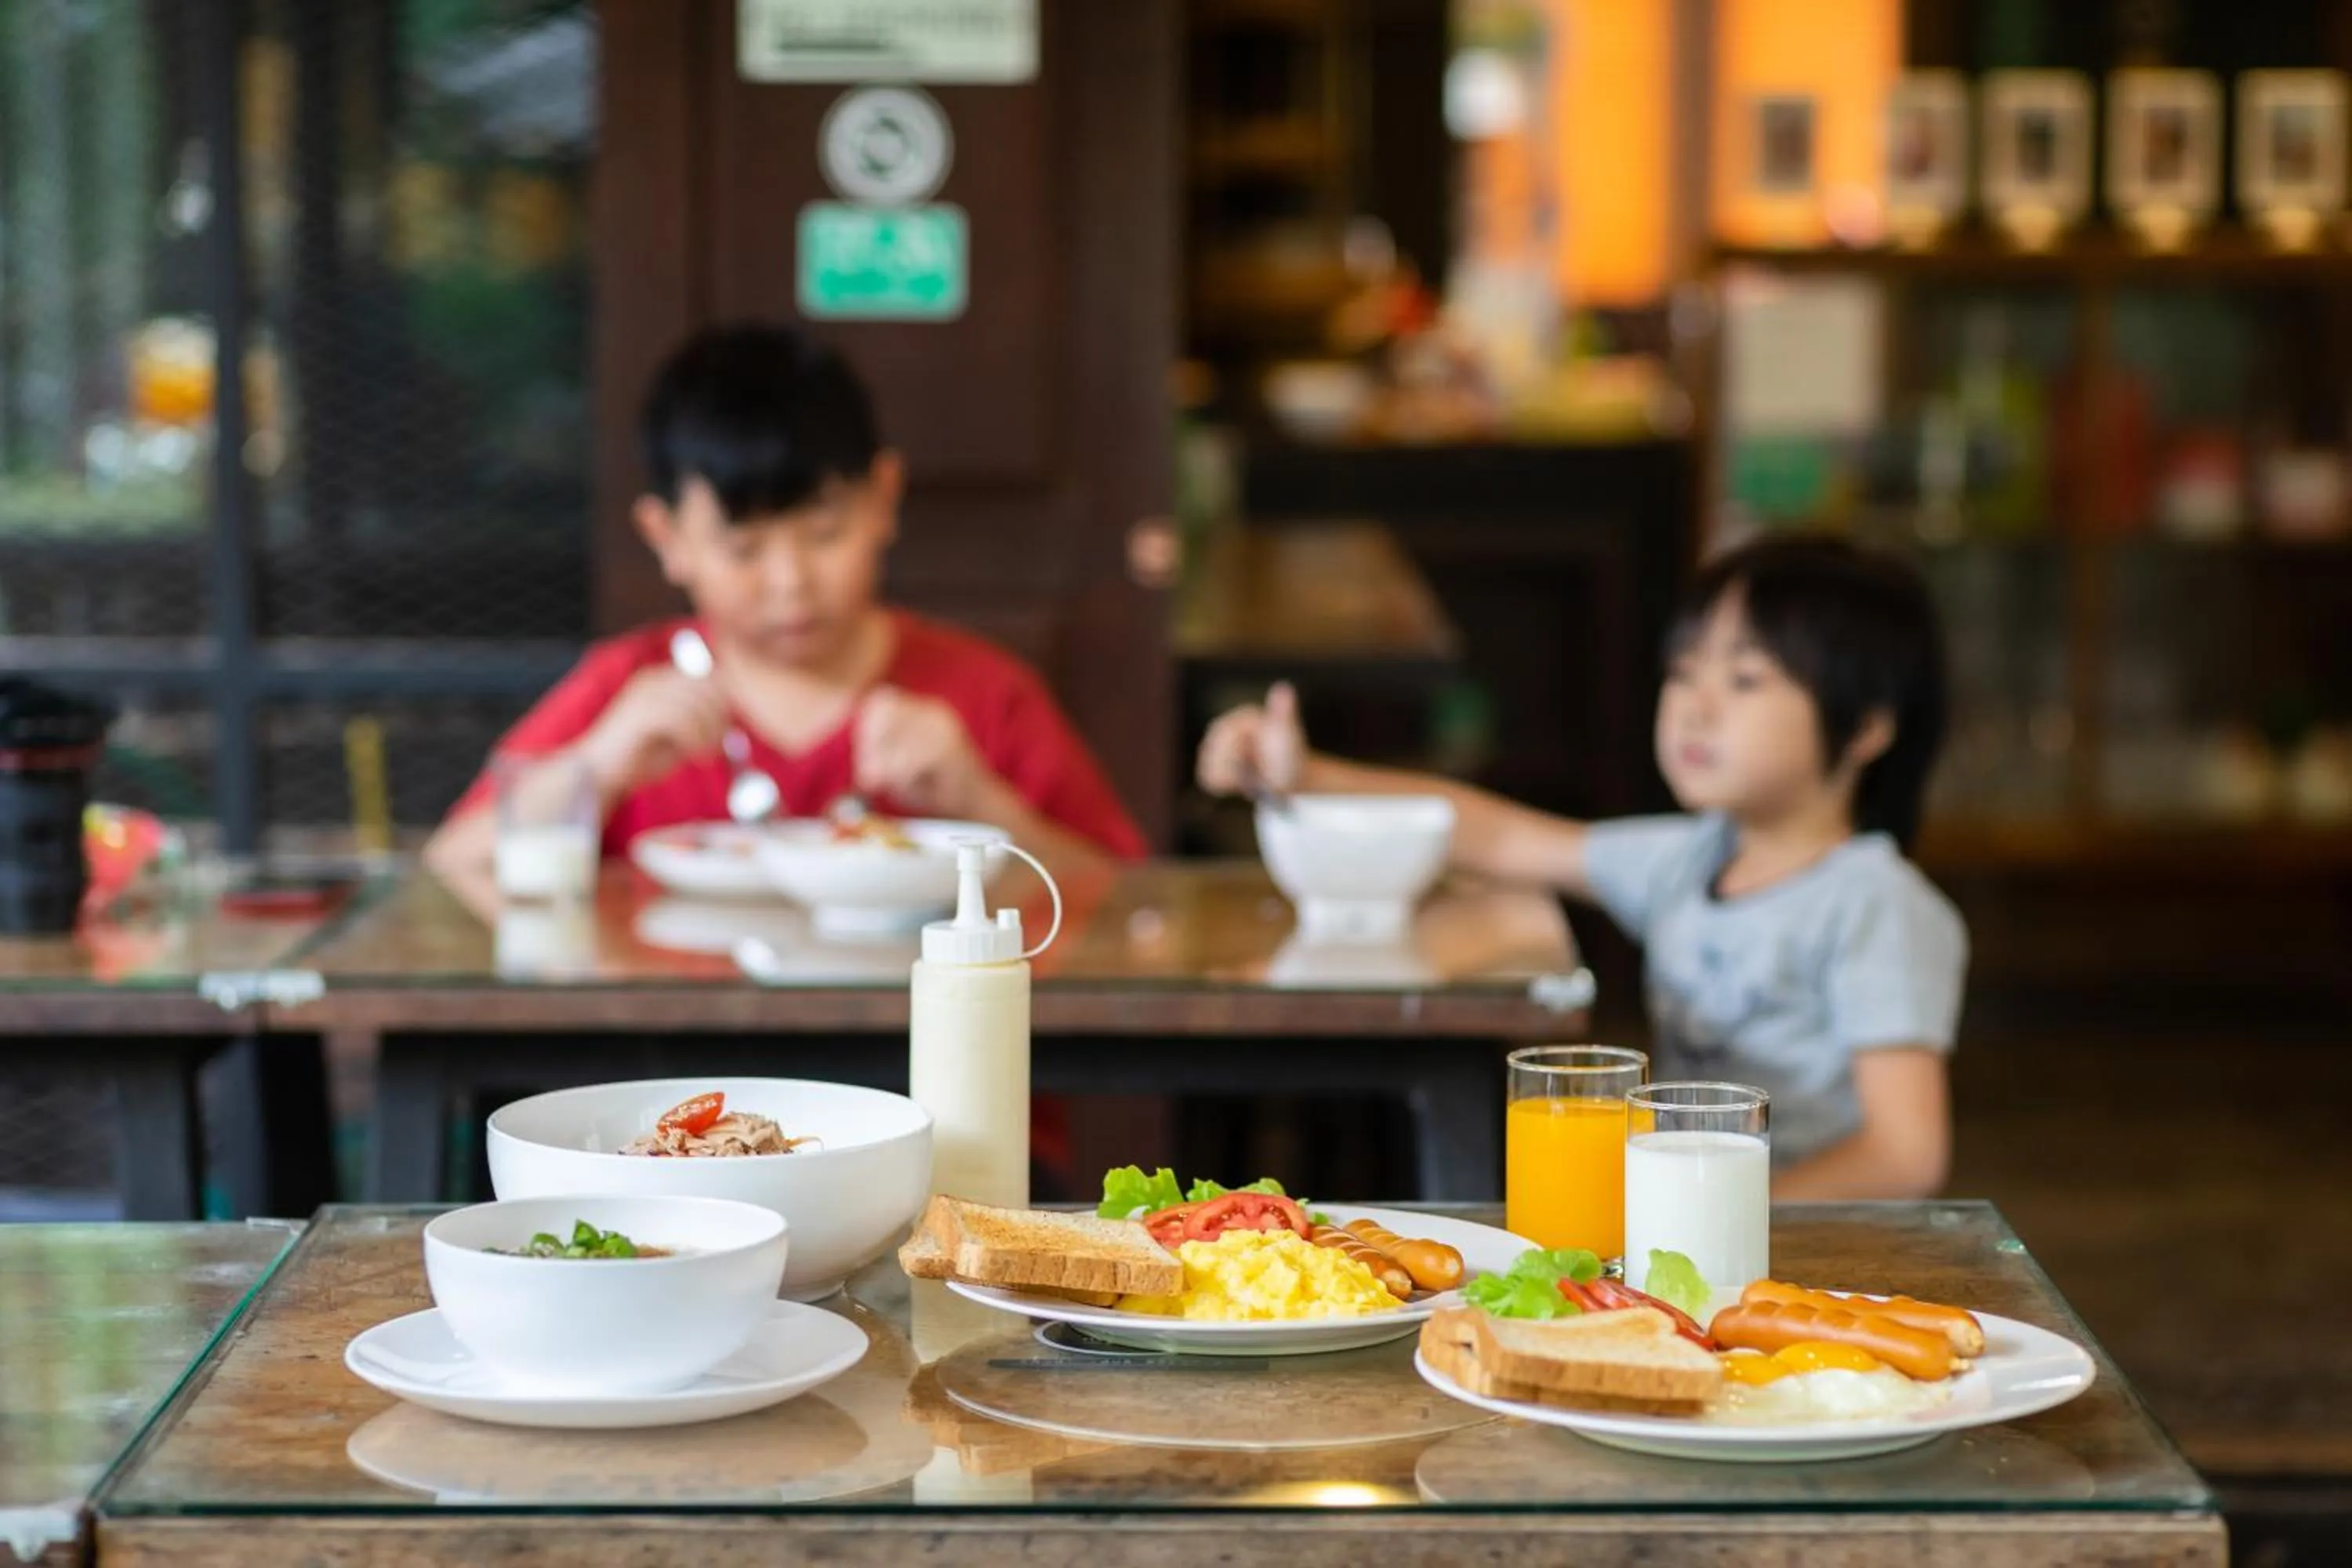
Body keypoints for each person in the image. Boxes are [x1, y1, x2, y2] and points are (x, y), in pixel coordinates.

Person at [1199, 535, 1966, 1200]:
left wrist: (1720, 1214)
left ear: (1866, 725)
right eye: (1684, 672)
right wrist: (1306, 773)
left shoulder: (1874, 902)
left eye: (1744, 680)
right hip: (1693, 1234)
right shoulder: (1691, 857)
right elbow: (1493, 835)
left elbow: (1904, 1154)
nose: (1695, 707)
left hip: (1818, 1255)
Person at [426, 323, 1146, 880]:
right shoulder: (626, 689)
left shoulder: (982, 696)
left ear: (886, 499)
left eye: (825, 532)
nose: (790, 580)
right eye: (744, 549)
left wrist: (980, 803)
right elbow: (451, 866)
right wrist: (600, 767)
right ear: (667, 536)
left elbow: (1127, 906)